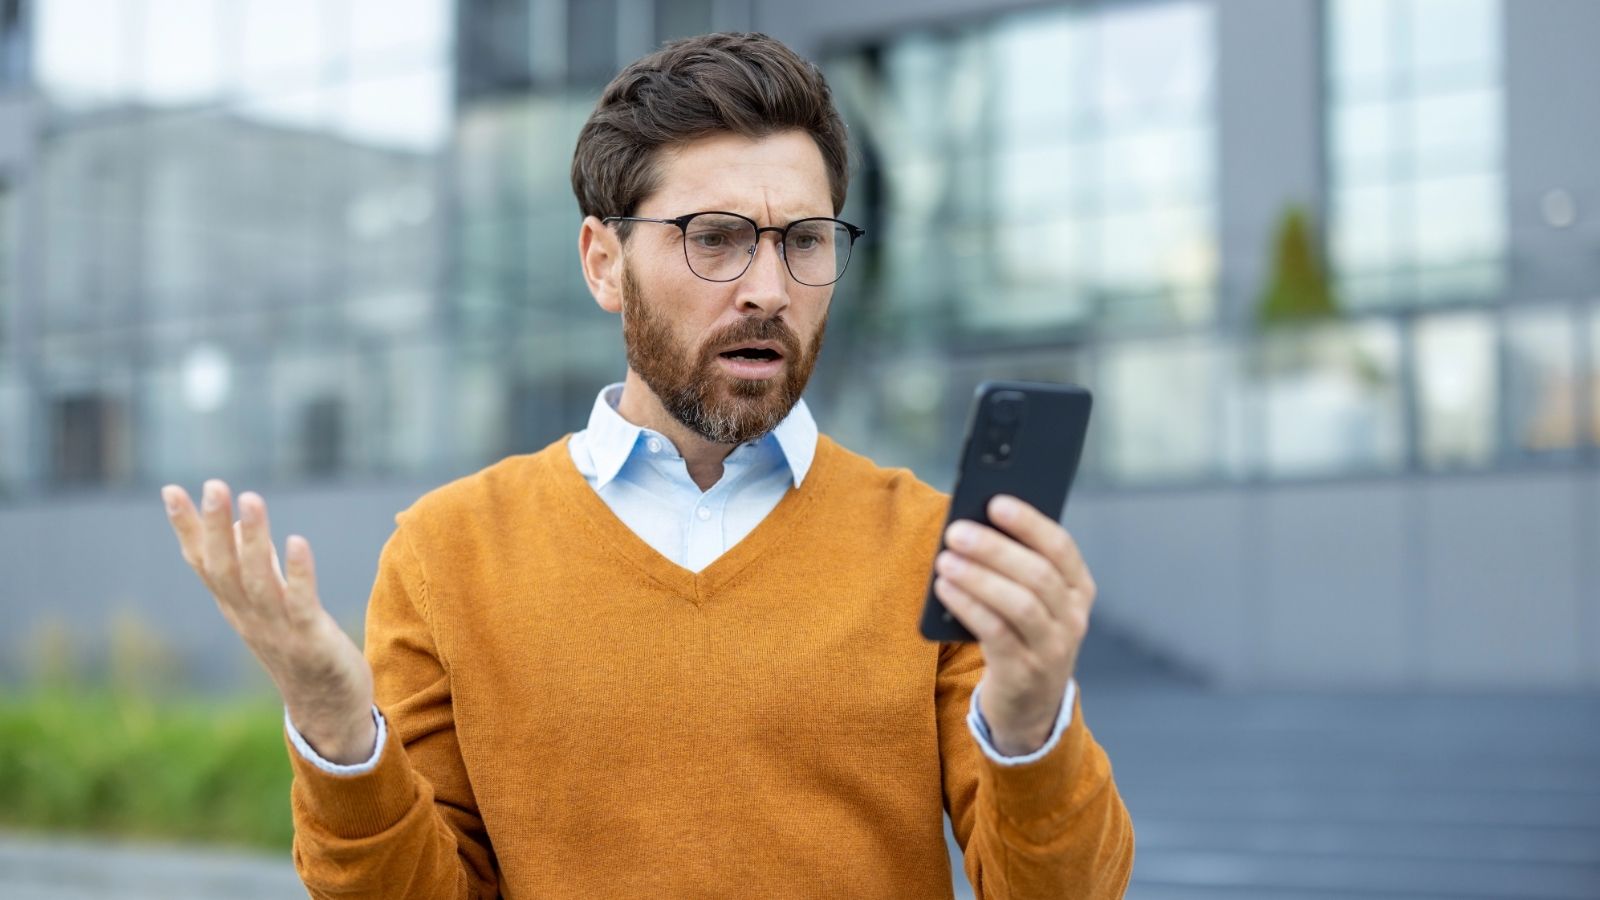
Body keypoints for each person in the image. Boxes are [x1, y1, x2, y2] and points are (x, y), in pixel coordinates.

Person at [159, 31, 1133, 899]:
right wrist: (338, 733)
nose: (767, 287)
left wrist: (1031, 718)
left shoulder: (933, 545)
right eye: (714, 239)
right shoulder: (447, 553)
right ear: (602, 263)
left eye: (804, 240)